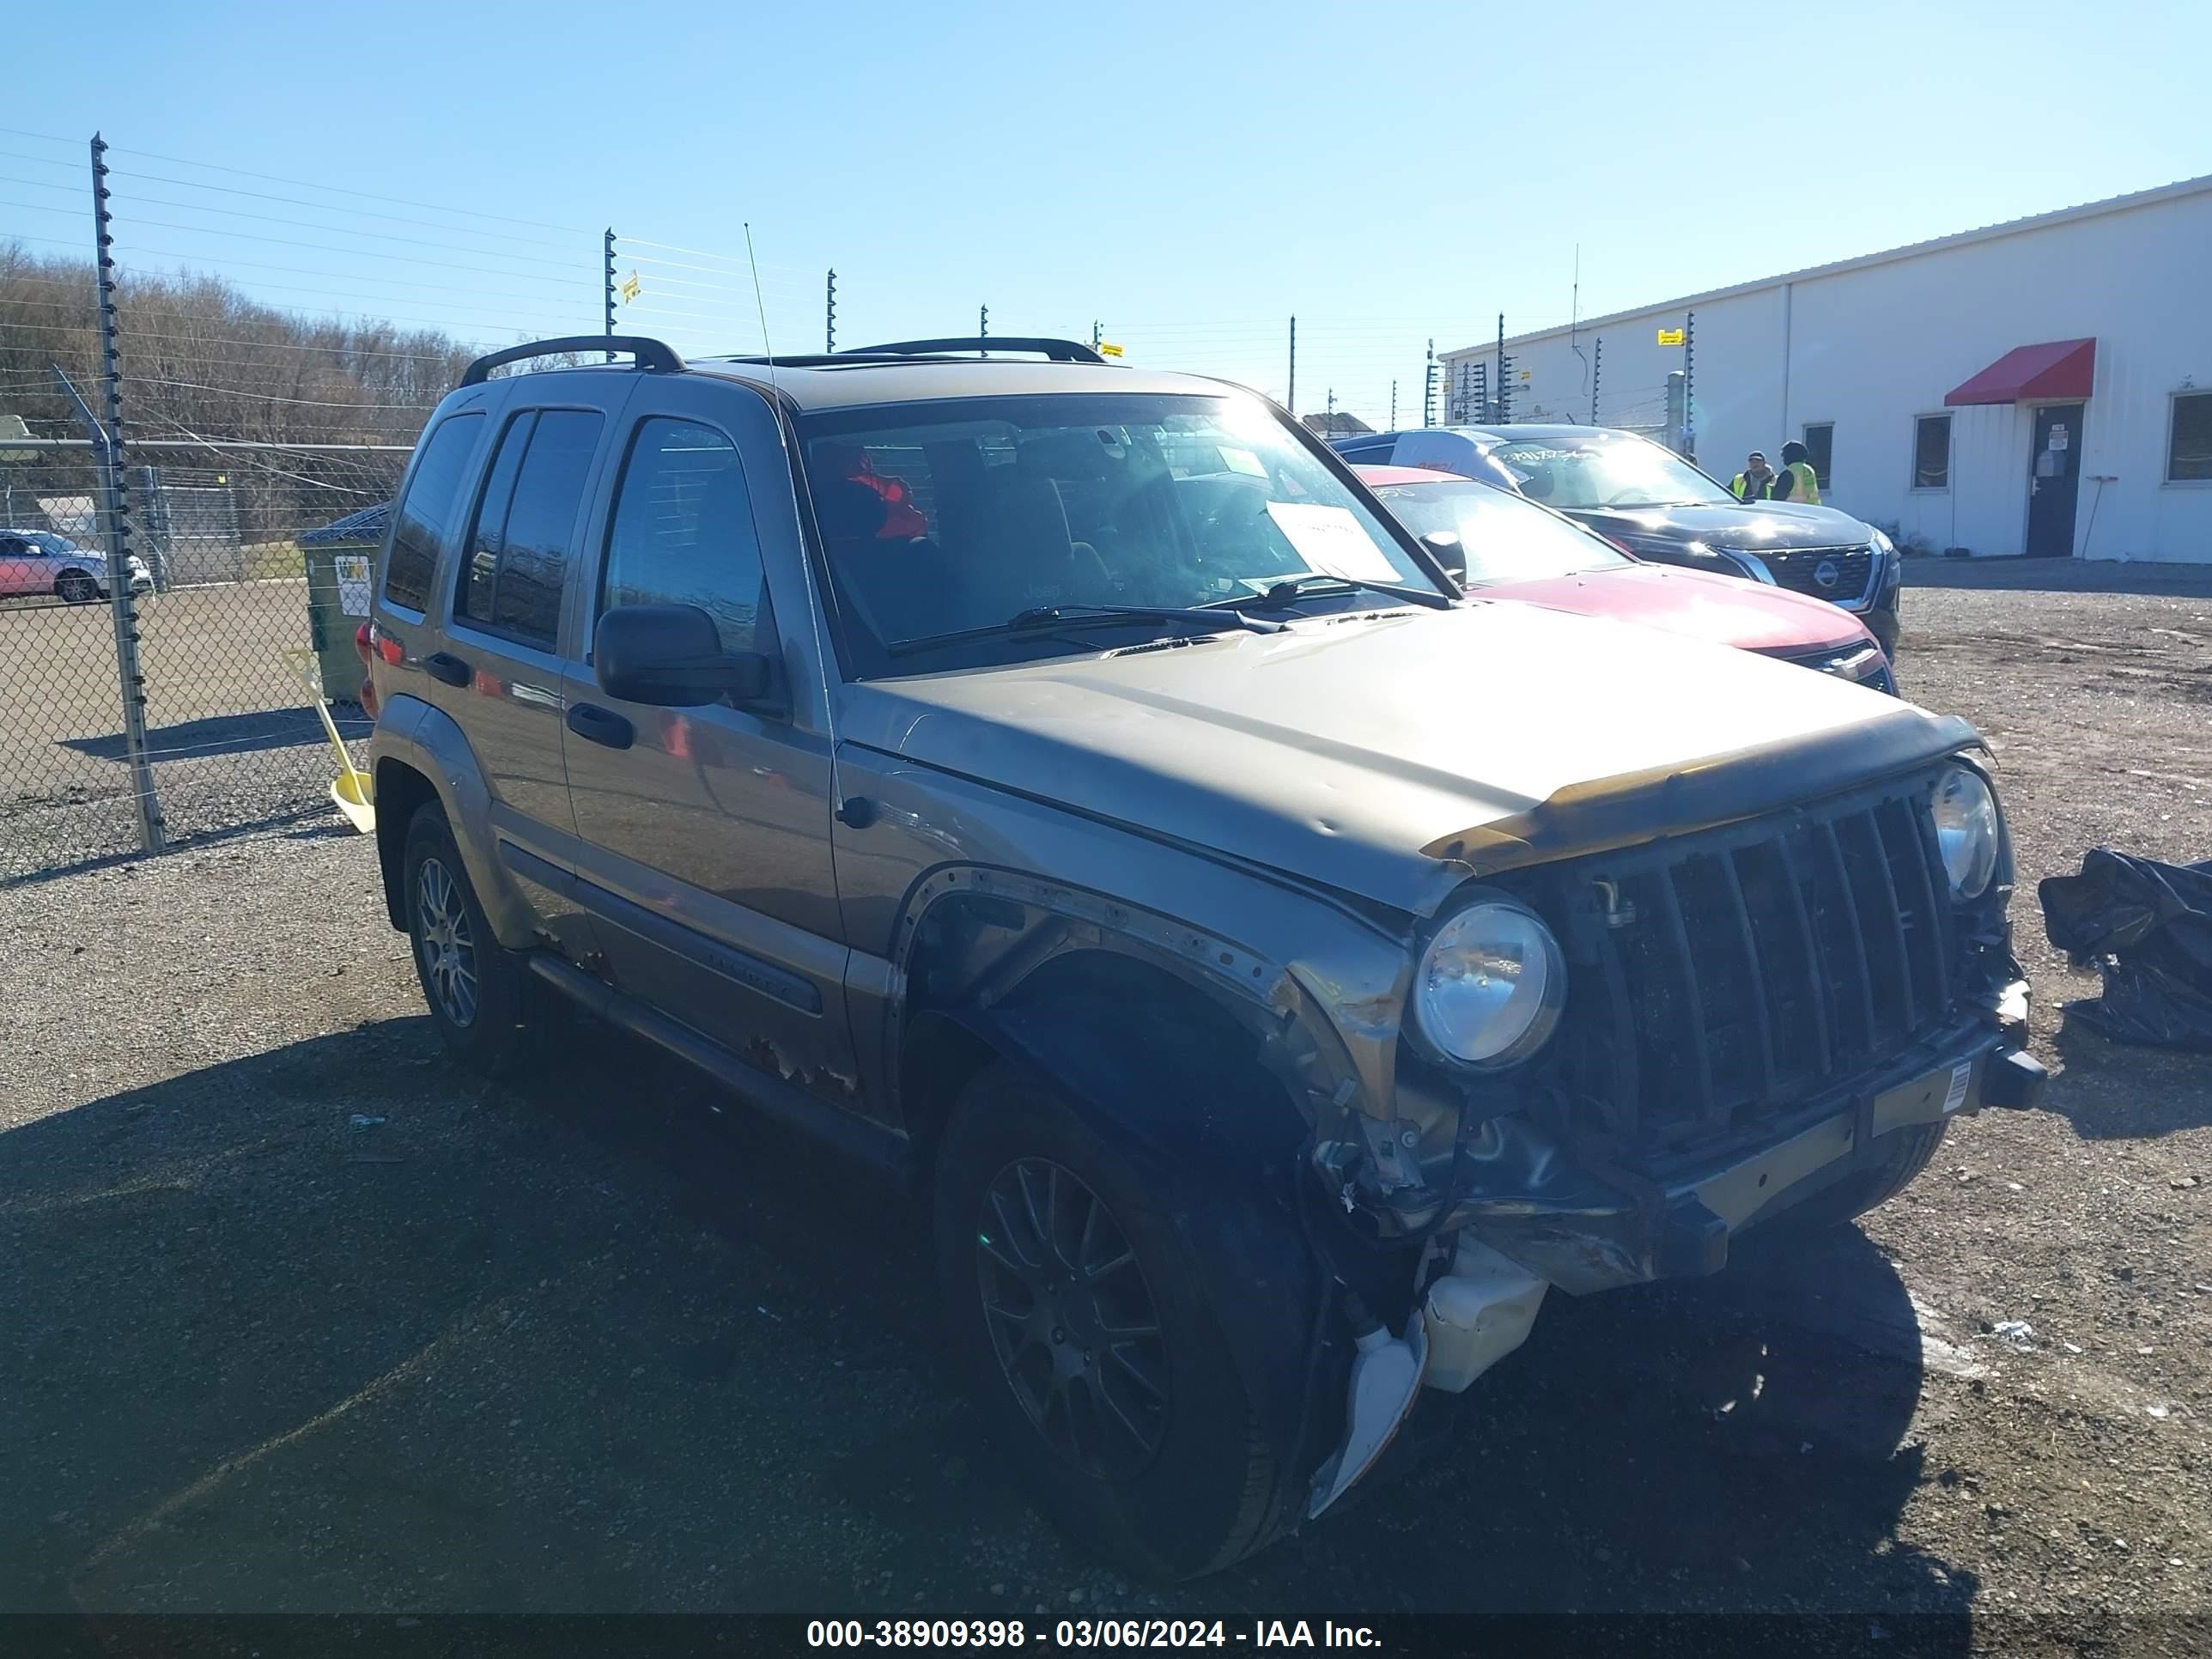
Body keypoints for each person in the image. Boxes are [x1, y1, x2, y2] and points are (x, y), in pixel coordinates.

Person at [1771, 441, 1821, 505]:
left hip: (1796, 511)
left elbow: (1777, 498)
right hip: (1814, 510)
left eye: (1783, 456)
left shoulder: (1788, 473)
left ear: (1788, 456)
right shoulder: (1809, 470)